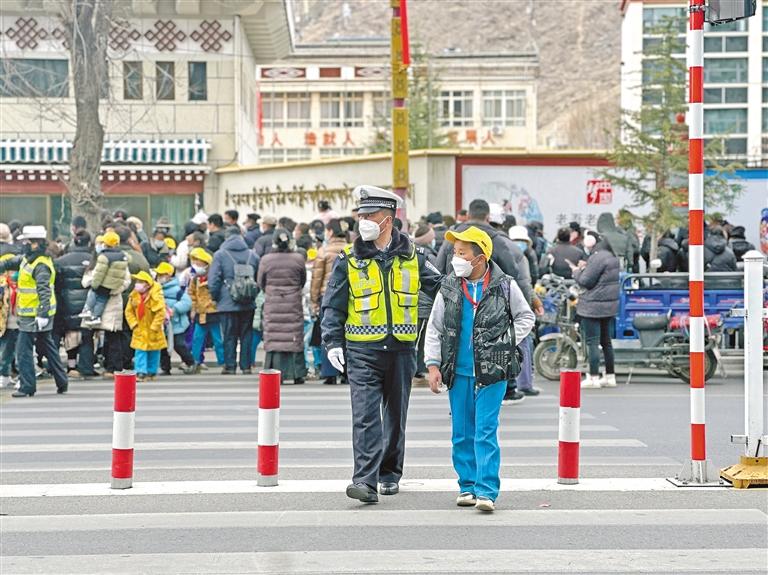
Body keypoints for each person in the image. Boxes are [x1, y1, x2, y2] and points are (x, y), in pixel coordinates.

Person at [321, 185, 443, 504]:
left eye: (369, 215)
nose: (362, 221)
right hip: (362, 350)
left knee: (395, 416)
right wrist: (332, 342)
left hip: (402, 349)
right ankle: (365, 480)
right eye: (360, 215)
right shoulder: (348, 259)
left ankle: (389, 473)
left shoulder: (415, 257)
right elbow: (332, 305)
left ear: (388, 219)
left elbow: (444, 290)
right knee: (365, 415)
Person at [424, 226, 534, 512]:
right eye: (455, 252)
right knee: (462, 431)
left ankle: (487, 490)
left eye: (461, 253)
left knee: (485, 430)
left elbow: (526, 317)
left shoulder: (504, 285)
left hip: (493, 370)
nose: (455, 258)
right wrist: (433, 365)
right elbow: (435, 328)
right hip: (458, 370)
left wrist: (506, 341)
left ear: (480, 258)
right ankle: (467, 485)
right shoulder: (449, 287)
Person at [0, 226, 68, 397]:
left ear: (36, 243)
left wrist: (42, 314)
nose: (23, 245)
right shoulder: (28, 259)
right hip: (34, 313)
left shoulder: (41, 264)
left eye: (26, 242)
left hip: (35, 314)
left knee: (23, 350)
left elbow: (44, 291)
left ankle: (27, 386)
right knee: (48, 346)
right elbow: (8, 263)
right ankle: (62, 381)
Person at [258, 228, 308, 384]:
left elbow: (261, 282)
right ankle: (297, 373)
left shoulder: (266, 260)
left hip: (273, 302)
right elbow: (302, 280)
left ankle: (274, 372)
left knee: (274, 336)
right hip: (293, 302)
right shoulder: (298, 258)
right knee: (293, 335)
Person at [208, 226, 259, 375]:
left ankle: (230, 366)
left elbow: (214, 279)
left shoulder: (220, 255)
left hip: (227, 301)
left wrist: (215, 297)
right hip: (248, 301)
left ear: (226, 237)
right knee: (246, 334)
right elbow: (259, 278)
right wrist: (253, 293)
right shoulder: (252, 255)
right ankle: (246, 366)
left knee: (229, 335)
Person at [572, 234, 620, 389]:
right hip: (608, 306)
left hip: (593, 306)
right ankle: (610, 377)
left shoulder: (597, 258)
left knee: (592, 342)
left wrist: (576, 271)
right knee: (606, 342)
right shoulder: (612, 257)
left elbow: (585, 281)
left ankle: (593, 377)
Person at [309, 218, 349, 385]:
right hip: (350, 296)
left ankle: (330, 373)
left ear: (330, 232)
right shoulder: (351, 249)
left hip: (327, 296)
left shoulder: (323, 251)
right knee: (348, 334)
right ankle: (346, 372)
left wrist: (314, 300)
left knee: (329, 333)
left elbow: (316, 279)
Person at [54, 230, 98, 378]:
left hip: (66, 304)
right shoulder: (94, 260)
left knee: (68, 334)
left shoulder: (60, 261)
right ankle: (86, 367)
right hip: (88, 304)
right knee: (87, 336)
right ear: (89, 242)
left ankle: (68, 366)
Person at [78, 231, 128, 327]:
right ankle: (96, 316)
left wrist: (94, 284)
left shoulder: (104, 257)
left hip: (104, 285)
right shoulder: (122, 256)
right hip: (113, 286)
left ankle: (88, 310)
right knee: (102, 300)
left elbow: (99, 273)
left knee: (94, 293)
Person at [124, 271, 166, 381]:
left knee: (154, 350)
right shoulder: (134, 295)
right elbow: (129, 311)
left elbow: (160, 313)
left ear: (147, 284)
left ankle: (152, 372)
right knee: (140, 351)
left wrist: (154, 326)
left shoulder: (156, 296)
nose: (137, 284)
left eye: (140, 282)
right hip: (140, 328)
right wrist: (134, 324)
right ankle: (140, 372)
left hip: (153, 329)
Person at [155, 262, 196, 375]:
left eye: (162, 274)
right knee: (163, 346)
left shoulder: (177, 290)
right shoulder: (156, 289)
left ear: (169, 275)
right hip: (163, 324)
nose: (160, 277)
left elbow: (187, 302)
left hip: (177, 324)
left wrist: (175, 309)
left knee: (179, 345)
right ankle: (165, 367)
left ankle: (190, 362)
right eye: (159, 274)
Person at [188, 247, 224, 370]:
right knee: (197, 339)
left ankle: (223, 362)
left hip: (214, 313)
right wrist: (193, 309)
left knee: (218, 340)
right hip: (201, 313)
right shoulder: (195, 279)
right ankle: (195, 362)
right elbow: (191, 294)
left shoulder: (214, 277)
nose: (196, 264)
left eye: (198, 262)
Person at [412, 223, 438, 382]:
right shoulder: (427, 255)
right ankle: (416, 367)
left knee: (417, 338)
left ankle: (417, 368)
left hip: (418, 302)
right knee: (419, 338)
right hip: (424, 303)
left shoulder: (415, 252)